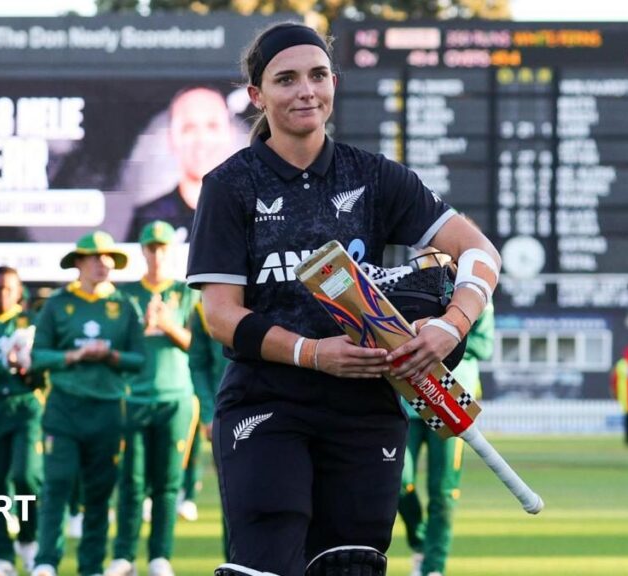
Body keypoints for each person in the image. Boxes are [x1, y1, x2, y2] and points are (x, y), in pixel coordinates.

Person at [186, 22, 502, 576]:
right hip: (267, 404)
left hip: (365, 412)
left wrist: (450, 325)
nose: (305, 91)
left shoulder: (376, 176)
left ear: (333, 82)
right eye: (285, 80)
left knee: (352, 567)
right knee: (268, 564)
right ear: (258, 95)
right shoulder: (229, 185)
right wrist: (313, 352)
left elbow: (479, 253)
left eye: (316, 76)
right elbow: (220, 314)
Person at [29, 231, 145, 576]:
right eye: (94, 257)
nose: (102, 263)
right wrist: (74, 354)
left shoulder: (125, 306)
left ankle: (91, 566)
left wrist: (110, 355)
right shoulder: (58, 303)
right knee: (58, 484)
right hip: (64, 406)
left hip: (108, 409)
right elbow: (37, 356)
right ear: (78, 263)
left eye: (108, 257)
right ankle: (46, 562)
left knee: (99, 492)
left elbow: (139, 359)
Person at [108, 221, 196, 576]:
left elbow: (199, 345)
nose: (157, 254)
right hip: (135, 398)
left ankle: (160, 556)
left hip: (176, 398)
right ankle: (124, 555)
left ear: (170, 251)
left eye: (162, 247)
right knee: (131, 481)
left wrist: (168, 325)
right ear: (143, 251)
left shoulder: (187, 292)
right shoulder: (126, 296)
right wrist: (143, 326)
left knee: (167, 483)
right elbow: (116, 348)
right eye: (151, 248)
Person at [399, 304, 494, 576]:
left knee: (443, 491)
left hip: (452, 403)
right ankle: (421, 543)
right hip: (411, 400)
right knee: (399, 482)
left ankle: (433, 567)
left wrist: (439, 340)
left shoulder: (477, 293)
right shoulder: (411, 281)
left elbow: (484, 346)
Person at [0, 266, 42, 576]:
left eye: (9, 288)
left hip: (25, 407)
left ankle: (28, 540)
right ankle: (0, 555)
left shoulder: (32, 323)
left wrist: (28, 365)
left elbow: (43, 366)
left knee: (26, 476)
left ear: (19, 292)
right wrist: (5, 363)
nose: (3, 293)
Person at [127, 87, 234, 242]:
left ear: (229, 134)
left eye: (212, 126)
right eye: (188, 128)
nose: (201, 140)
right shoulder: (149, 219)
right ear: (171, 137)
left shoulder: (251, 212)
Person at [187, 294, 232, 559]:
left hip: (287, 410)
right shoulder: (203, 307)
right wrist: (207, 413)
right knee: (235, 501)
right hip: (229, 415)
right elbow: (198, 363)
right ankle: (236, 563)